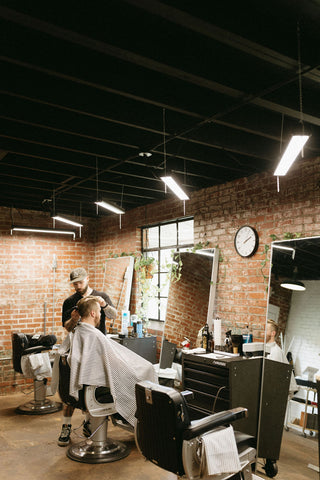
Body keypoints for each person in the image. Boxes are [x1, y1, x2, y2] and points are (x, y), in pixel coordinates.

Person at [67, 296, 156, 426]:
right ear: (93, 313)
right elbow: (116, 363)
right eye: (99, 311)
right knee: (140, 383)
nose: (99, 314)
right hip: (95, 391)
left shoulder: (78, 331)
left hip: (86, 388)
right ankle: (143, 425)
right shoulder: (95, 336)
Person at [58, 267, 117, 447]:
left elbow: (114, 315)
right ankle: (66, 426)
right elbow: (68, 327)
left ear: (87, 279)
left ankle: (88, 423)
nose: (77, 286)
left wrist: (104, 305)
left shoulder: (101, 296)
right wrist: (74, 318)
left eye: (80, 282)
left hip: (98, 349)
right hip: (79, 348)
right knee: (72, 385)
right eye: (74, 283)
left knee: (93, 385)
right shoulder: (69, 301)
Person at [266, 319, 298, 394]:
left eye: (266, 330)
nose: (262, 333)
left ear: (273, 333)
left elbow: (273, 378)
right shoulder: (266, 348)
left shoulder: (276, 352)